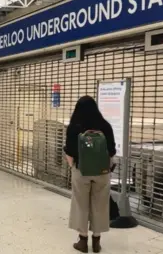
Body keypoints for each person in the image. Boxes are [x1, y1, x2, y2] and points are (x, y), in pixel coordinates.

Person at [63, 96, 116, 253]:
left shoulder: (74, 127)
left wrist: (74, 166)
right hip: (102, 172)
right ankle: (97, 241)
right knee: (100, 205)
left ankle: (83, 240)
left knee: (81, 204)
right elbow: (112, 151)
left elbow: (69, 151)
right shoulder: (105, 126)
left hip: (81, 170)